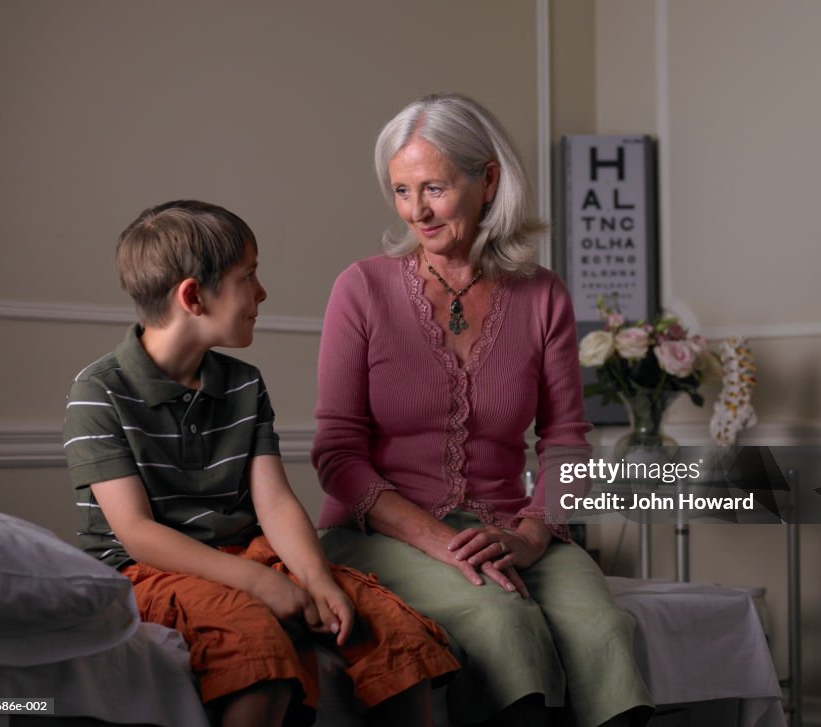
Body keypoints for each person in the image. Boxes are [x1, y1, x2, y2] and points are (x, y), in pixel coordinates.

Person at [312, 94, 653, 727]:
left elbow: (567, 440)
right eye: (402, 190)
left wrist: (527, 537)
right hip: (385, 534)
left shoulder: (542, 293)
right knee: (503, 622)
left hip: (512, 530)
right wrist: (445, 544)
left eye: (434, 188)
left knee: (605, 631)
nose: (417, 211)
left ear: (488, 179)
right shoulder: (360, 289)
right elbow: (336, 453)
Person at [62, 200, 458, 727]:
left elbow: (273, 500)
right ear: (192, 296)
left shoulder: (244, 383)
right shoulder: (99, 392)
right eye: (248, 276)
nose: (262, 292)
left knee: (391, 633)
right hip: (146, 570)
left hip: (249, 551)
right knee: (257, 649)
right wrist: (259, 584)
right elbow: (137, 533)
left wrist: (316, 578)